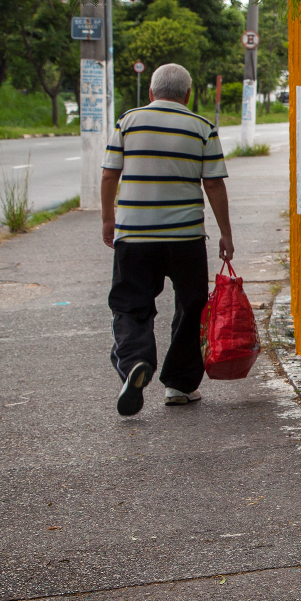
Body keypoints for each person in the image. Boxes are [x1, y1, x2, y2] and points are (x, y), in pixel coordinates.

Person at [101, 63, 234, 417]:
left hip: (134, 234)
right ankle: (180, 384)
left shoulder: (128, 121)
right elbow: (214, 184)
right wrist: (225, 232)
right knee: (192, 305)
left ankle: (136, 361)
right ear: (187, 95)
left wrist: (107, 219)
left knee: (130, 304)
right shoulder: (203, 127)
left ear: (151, 92)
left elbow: (110, 174)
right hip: (185, 236)